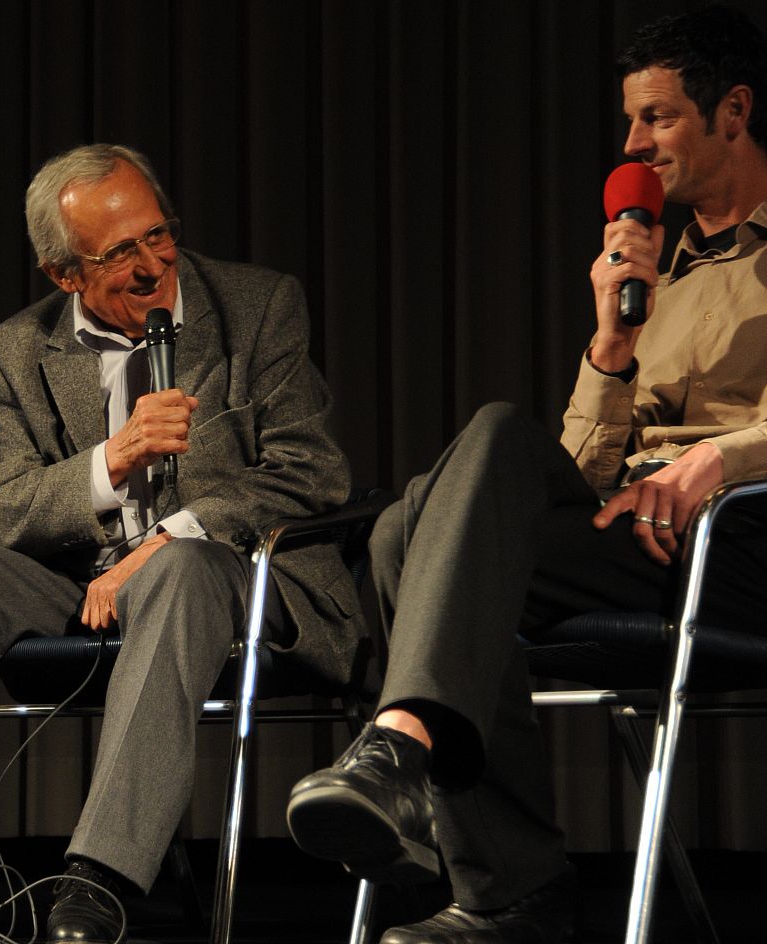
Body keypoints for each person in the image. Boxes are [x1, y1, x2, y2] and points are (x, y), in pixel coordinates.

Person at [285, 6, 767, 943]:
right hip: (637, 537)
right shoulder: (658, 274)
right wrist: (612, 344)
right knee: (412, 523)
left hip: (740, 540)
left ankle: (425, 788)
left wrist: (718, 458)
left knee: (446, 509)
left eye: (658, 118)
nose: (632, 146)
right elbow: (581, 471)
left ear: (734, 111)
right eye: (630, 122)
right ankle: (503, 883)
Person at [0, 143, 365, 944]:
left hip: (235, 579)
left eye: (159, 234)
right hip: (84, 590)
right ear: (64, 274)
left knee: (179, 568)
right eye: (121, 252)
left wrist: (170, 536)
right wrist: (111, 461)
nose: (154, 265)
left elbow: (312, 472)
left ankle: (97, 878)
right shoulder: (17, 349)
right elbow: (4, 512)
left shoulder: (257, 306)